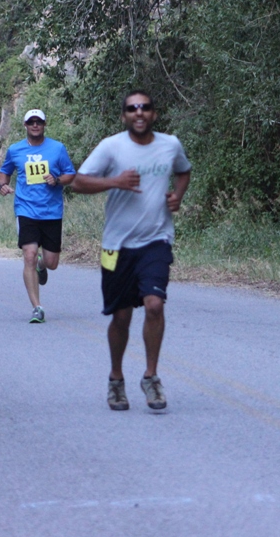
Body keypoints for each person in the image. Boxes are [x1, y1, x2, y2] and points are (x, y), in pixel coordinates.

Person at [71, 91, 191, 412]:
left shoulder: (170, 145)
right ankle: (116, 379)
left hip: (156, 241)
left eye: (145, 108)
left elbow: (183, 171)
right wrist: (115, 182)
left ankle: (151, 377)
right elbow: (78, 182)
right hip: (117, 246)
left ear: (154, 113)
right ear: (124, 116)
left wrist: (177, 196)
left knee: (154, 305)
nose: (139, 113)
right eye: (132, 109)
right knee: (121, 316)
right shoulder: (112, 146)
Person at [0, 108, 76, 323]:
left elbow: (70, 174)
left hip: (51, 211)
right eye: (31, 122)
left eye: (38, 122)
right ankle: (37, 307)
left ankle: (43, 266)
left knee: (51, 262)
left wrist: (57, 180)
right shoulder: (15, 150)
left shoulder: (57, 148)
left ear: (44, 124)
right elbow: (4, 171)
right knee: (29, 255)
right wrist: (2, 185)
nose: (34, 125)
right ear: (25, 125)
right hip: (26, 209)